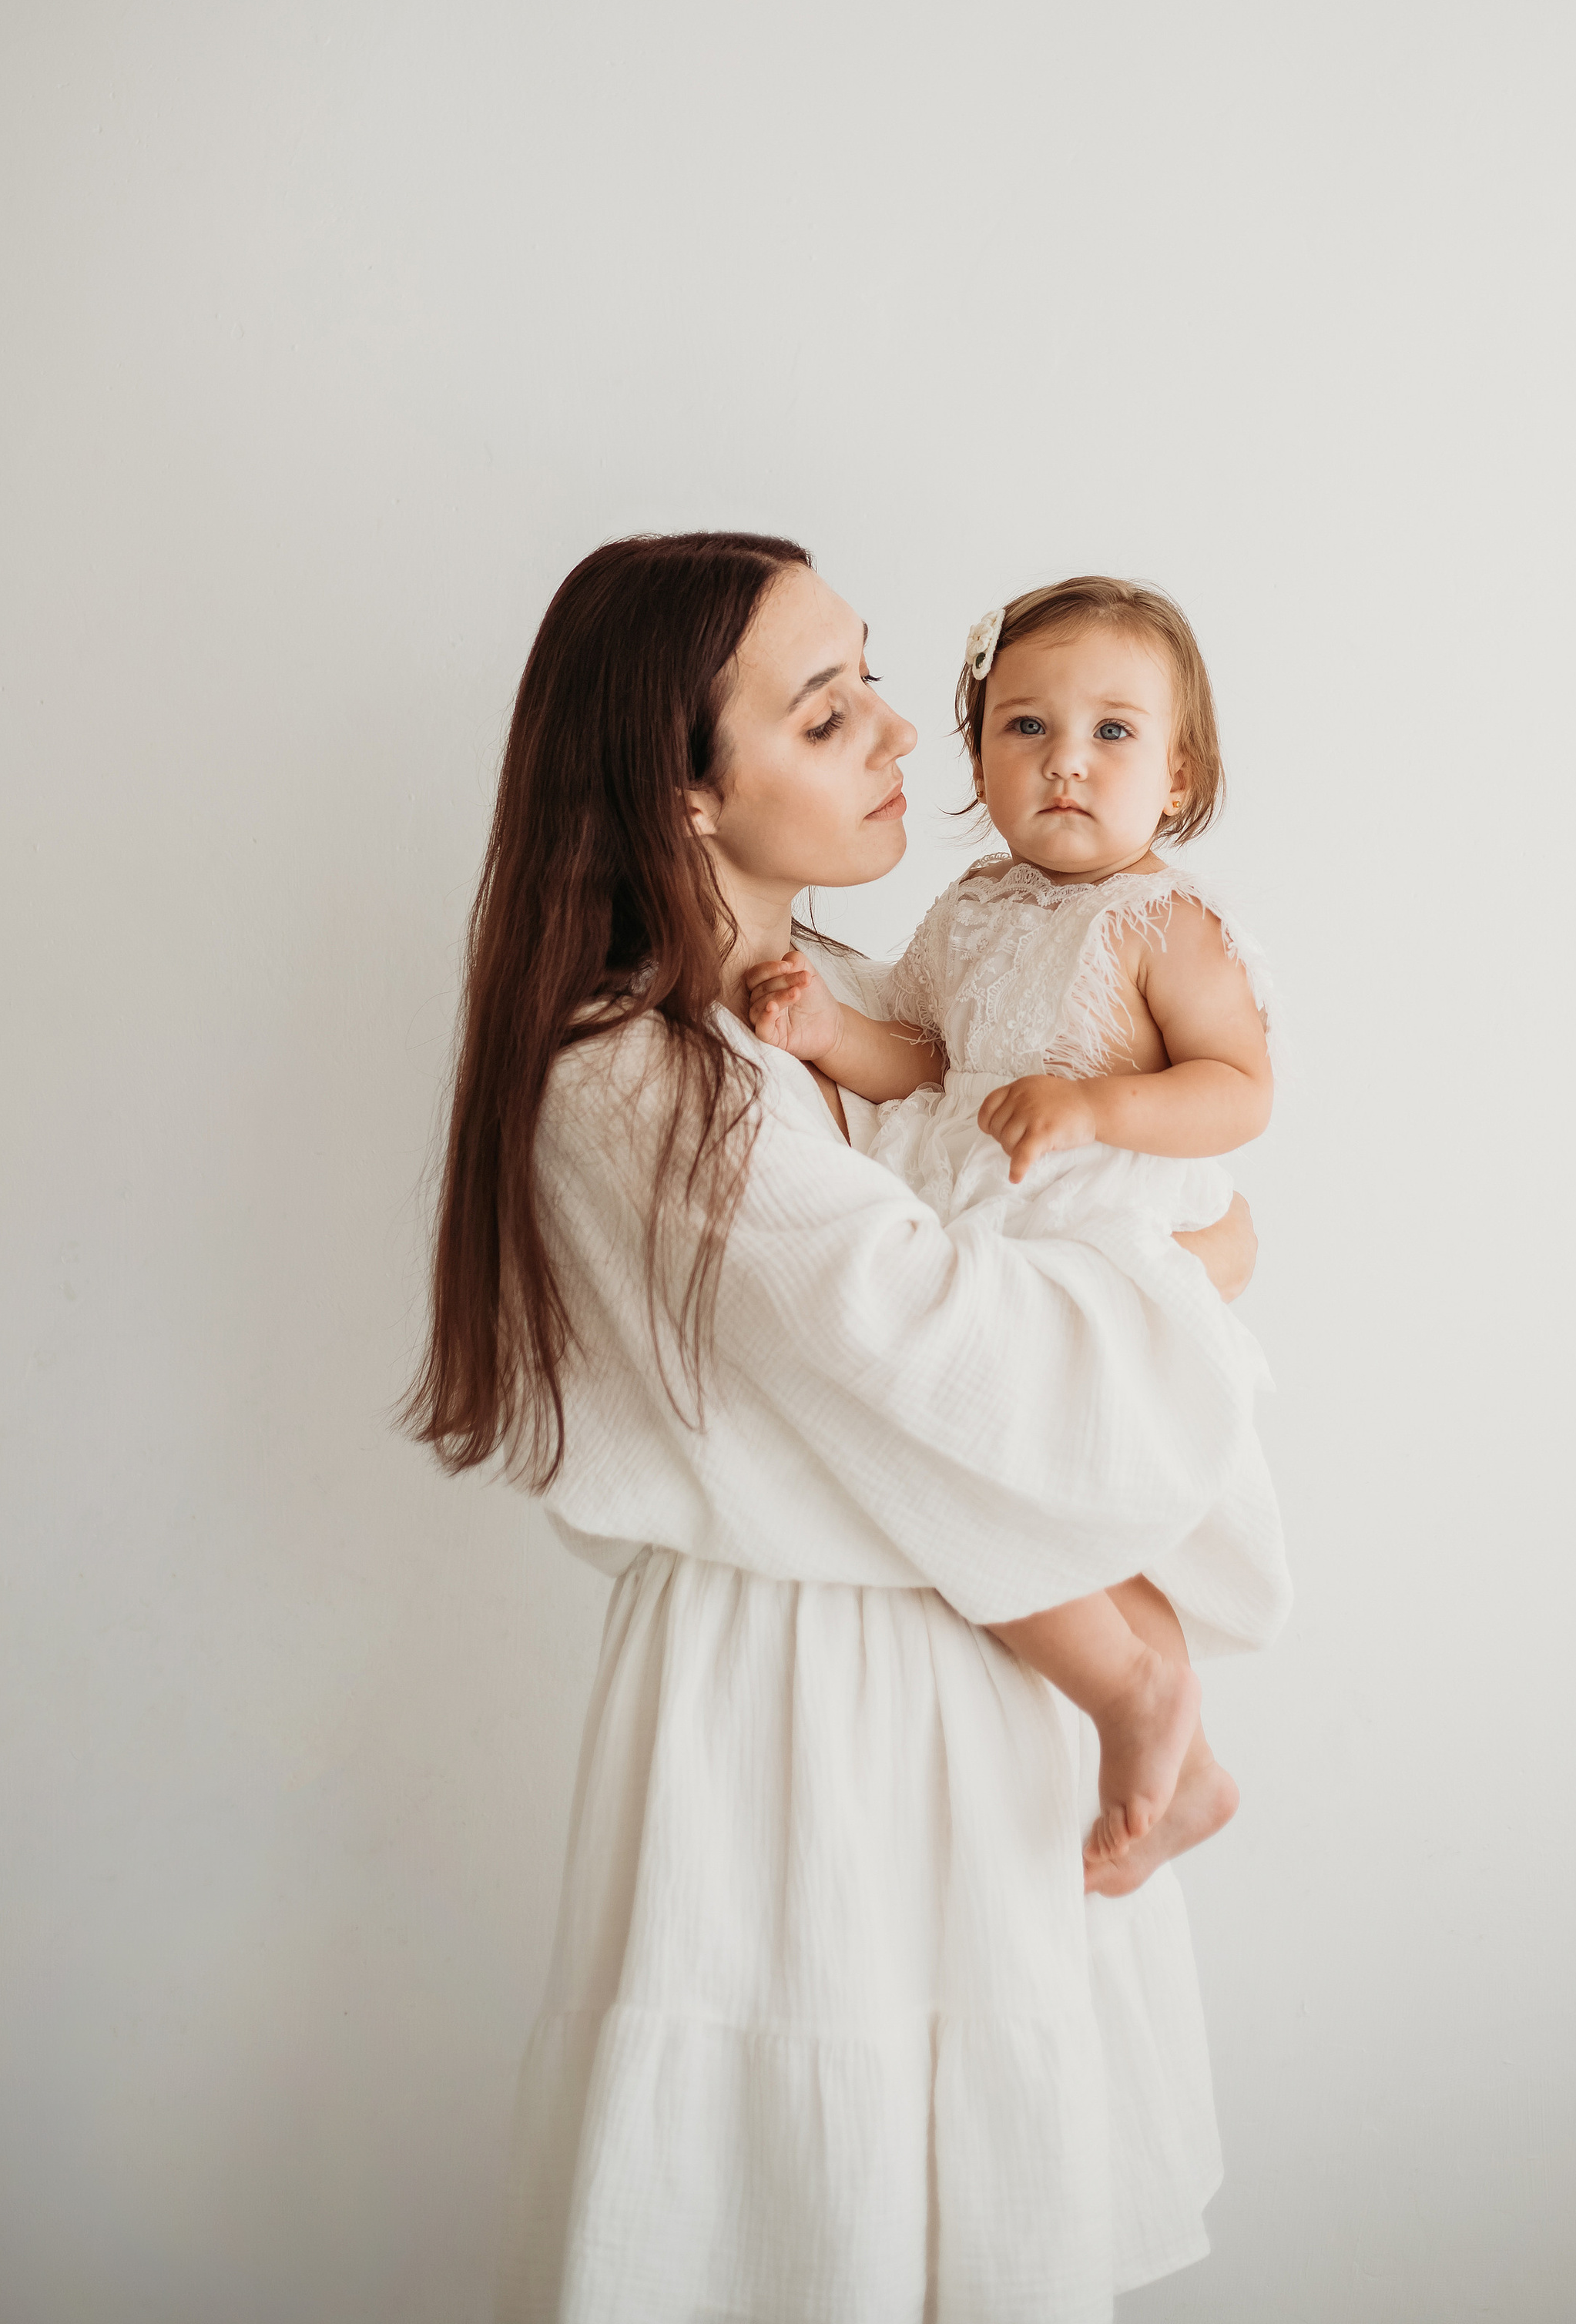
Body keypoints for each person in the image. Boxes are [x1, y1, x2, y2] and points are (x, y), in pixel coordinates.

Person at [409, 530, 1290, 2324]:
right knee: (800, 2221)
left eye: (873, 677)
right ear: (682, 789)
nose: (903, 731)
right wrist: (1193, 1272)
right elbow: (949, 1357)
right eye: (824, 715)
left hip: (968, 1676)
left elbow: (993, 1219)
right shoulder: (636, 1073)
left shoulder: (830, 1009)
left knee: (976, 2212)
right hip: (805, 1712)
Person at [744, 575, 1273, 1897]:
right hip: (984, 1199)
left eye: (1112, 733)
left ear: (1177, 773)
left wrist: (1097, 1106)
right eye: (1025, 727)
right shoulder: (973, 906)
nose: (1064, 763)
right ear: (978, 751)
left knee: (1008, 1468)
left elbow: (1239, 1089)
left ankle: (1144, 1703)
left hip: (1088, 1214)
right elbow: (927, 1058)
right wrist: (829, 1034)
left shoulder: (1165, 923)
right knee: (1008, 1476)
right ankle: (1182, 1754)